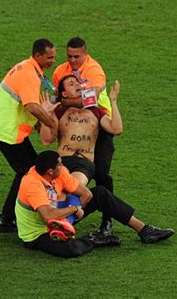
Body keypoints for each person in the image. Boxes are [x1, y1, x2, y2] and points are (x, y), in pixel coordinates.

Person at [15, 151, 174, 258]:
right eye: (59, 164)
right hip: (37, 233)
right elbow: (47, 215)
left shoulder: (60, 173)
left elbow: (86, 194)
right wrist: (74, 209)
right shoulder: (32, 184)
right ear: (50, 171)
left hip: (61, 219)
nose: (63, 166)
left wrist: (69, 220)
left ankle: (144, 230)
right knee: (70, 250)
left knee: (100, 193)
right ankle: (94, 239)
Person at [0, 38, 60, 232]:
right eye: (50, 57)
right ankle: (7, 218)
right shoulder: (29, 74)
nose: (53, 61)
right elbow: (32, 106)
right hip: (7, 132)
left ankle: (13, 216)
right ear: (38, 56)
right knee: (27, 173)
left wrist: (37, 126)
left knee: (33, 168)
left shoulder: (31, 69)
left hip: (8, 128)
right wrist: (52, 123)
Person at [52, 37, 116, 236]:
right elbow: (54, 98)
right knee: (67, 178)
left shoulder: (94, 70)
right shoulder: (60, 72)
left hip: (100, 124)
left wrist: (65, 101)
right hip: (72, 127)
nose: (72, 61)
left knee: (102, 174)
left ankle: (107, 221)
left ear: (85, 54)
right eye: (69, 56)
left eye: (76, 57)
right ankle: (65, 218)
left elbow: (90, 101)